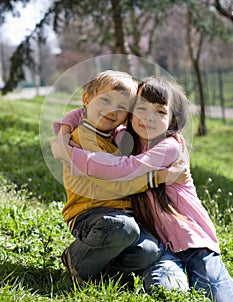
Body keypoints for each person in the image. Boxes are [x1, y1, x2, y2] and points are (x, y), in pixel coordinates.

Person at [52, 77, 233, 301]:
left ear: (172, 119)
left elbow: (123, 168)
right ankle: (89, 265)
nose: (149, 117)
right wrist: (64, 131)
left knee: (216, 289)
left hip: (193, 240)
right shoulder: (123, 138)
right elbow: (85, 111)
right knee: (168, 291)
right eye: (141, 108)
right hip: (161, 247)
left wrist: (72, 155)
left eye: (160, 111)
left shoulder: (169, 147)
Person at [52, 70, 185, 285]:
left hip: (121, 217)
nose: (112, 110)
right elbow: (114, 182)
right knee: (124, 229)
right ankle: (76, 259)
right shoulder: (80, 141)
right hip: (91, 215)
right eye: (105, 100)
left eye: (122, 107)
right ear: (87, 99)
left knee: (149, 250)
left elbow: (79, 112)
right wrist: (156, 178)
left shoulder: (117, 136)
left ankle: (102, 271)